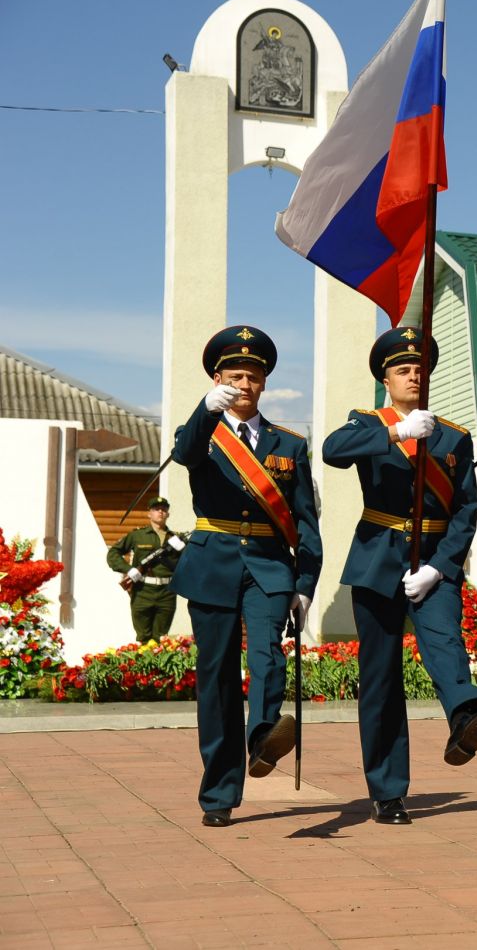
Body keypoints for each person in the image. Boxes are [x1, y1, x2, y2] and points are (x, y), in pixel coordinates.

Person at [321, 327, 477, 825]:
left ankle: (468, 716)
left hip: (432, 559)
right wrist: (397, 434)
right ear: (386, 378)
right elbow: (333, 452)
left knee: (444, 643)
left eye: (420, 370)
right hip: (377, 558)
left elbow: (467, 509)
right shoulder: (367, 424)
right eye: (403, 369)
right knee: (380, 678)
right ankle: (388, 789)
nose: (413, 376)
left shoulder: (454, 436)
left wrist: (441, 566)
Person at [169, 326, 321, 828]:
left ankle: (262, 739)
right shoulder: (202, 432)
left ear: (264, 384)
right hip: (213, 559)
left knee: (267, 654)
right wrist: (205, 407)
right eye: (235, 376)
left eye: (253, 377)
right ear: (218, 379)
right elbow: (185, 452)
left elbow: (305, 519)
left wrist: (305, 583)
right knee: (215, 678)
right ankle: (218, 791)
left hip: (269, 563)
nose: (245, 384)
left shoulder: (288, 444)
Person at [107, 496, 186, 643]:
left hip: (167, 592)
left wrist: (185, 550)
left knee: (162, 638)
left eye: (164, 510)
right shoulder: (138, 535)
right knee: (143, 637)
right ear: (149, 513)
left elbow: (187, 564)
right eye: (156, 509)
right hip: (143, 590)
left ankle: (158, 666)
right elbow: (113, 553)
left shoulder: (176, 538)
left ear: (168, 514)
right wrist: (128, 569)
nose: (160, 512)